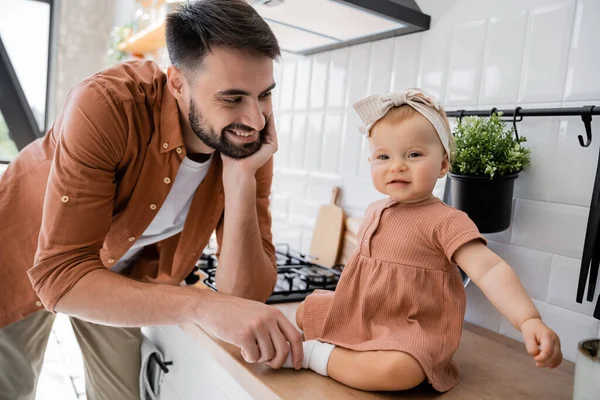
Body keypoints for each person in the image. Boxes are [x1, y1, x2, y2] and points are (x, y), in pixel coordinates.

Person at [0, 1, 303, 398]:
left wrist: (241, 178)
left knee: (120, 394)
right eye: (232, 99)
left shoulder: (245, 139)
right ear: (177, 83)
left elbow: (243, 298)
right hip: (26, 253)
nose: (256, 120)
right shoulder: (107, 104)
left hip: (114, 274)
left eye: (264, 95)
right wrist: (200, 305)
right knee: (11, 387)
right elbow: (61, 276)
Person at [282, 89, 562, 392]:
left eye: (413, 154)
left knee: (398, 371)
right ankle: (345, 350)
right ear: (371, 162)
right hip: (362, 315)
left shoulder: (446, 221)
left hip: (411, 327)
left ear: (443, 165)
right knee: (304, 310)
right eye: (383, 156)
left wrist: (528, 320)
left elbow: (490, 270)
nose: (397, 165)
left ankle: (311, 355)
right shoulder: (374, 209)